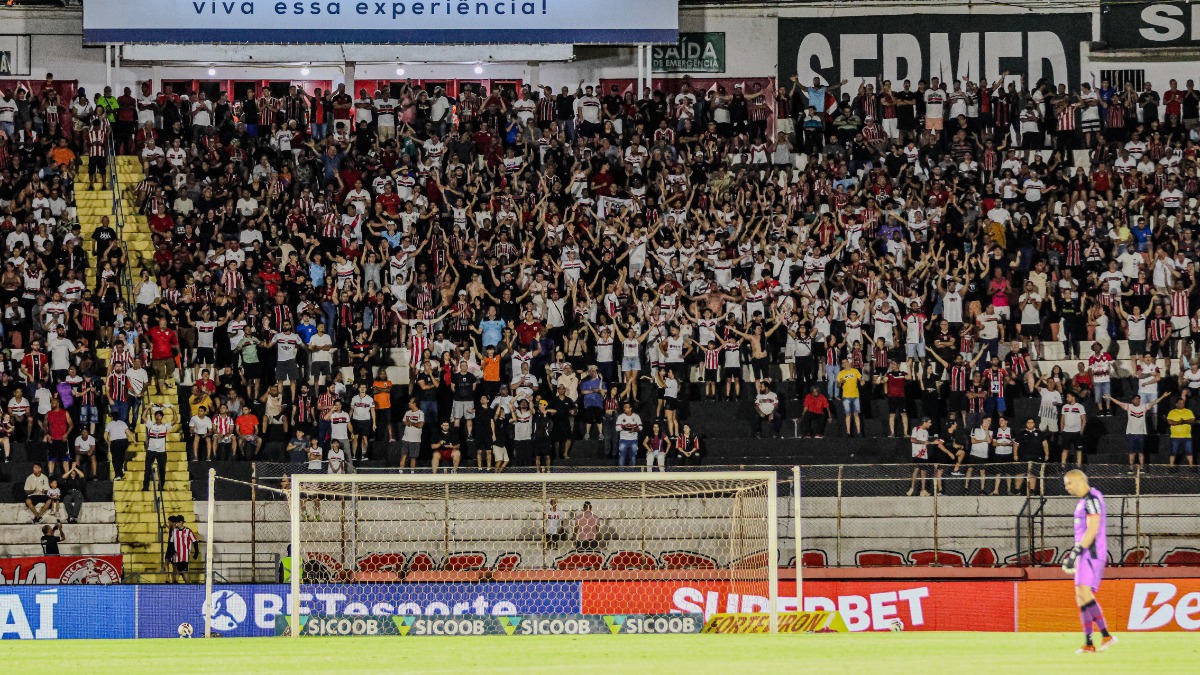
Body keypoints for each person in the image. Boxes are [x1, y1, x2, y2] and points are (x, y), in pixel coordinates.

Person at [1061, 470, 1116, 653]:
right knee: (1081, 596)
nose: (1067, 487)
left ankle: (1107, 636)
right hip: (1086, 553)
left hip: (1090, 553)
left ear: (1078, 481)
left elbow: (1092, 530)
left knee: (1084, 593)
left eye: (1068, 483)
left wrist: (1075, 553)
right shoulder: (1086, 501)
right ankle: (1089, 643)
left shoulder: (1091, 499)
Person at [1106, 393, 1169, 472]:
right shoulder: (1129, 406)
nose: (1138, 400)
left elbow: (1154, 403)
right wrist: (1109, 397)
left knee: (1141, 452)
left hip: (1141, 433)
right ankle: (1131, 467)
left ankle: (1142, 468)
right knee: (1131, 452)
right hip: (1131, 433)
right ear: (1132, 400)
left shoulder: (1143, 407)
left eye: (1139, 399)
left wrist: (1163, 396)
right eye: (1136, 399)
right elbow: (1118, 402)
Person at [1165, 397, 1197, 469]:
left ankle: (1191, 466)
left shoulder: (1188, 411)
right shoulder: (1172, 412)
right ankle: (1171, 467)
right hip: (1175, 436)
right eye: (1180, 403)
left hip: (1187, 436)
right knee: (1173, 452)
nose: (1182, 404)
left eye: (1183, 403)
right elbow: (1170, 421)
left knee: (1189, 452)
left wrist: (1183, 421)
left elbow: (1192, 420)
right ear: (1176, 404)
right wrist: (1179, 422)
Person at [166, 515, 199, 584]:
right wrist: (172, 552)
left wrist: (196, 552)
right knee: (175, 569)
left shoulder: (188, 531)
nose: (177, 523)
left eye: (179, 522)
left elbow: (195, 541)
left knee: (184, 572)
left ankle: (188, 585)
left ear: (182, 522)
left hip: (184, 556)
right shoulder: (174, 531)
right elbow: (171, 542)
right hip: (176, 555)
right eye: (177, 522)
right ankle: (175, 582)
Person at [143, 410, 170, 492]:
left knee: (162, 470)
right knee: (147, 469)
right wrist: (147, 408)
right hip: (151, 450)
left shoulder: (165, 426)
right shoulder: (151, 425)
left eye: (159, 416)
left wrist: (172, 408)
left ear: (162, 417)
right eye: (156, 416)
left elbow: (175, 420)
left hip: (161, 451)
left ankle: (161, 487)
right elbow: (143, 417)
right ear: (155, 417)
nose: (158, 417)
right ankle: (145, 487)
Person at [104, 412, 132, 481]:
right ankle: (120, 473)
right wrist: (134, 441)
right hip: (123, 441)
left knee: (115, 459)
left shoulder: (110, 424)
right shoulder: (122, 423)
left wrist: (108, 443)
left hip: (115, 442)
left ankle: (118, 474)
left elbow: (105, 435)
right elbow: (129, 433)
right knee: (121, 457)